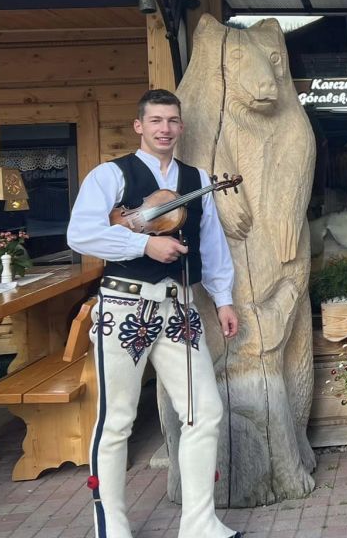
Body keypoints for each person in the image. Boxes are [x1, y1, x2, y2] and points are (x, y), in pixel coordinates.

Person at [67, 89, 240, 538]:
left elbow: (212, 243)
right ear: (139, 126)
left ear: (181, 126)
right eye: (156, 120)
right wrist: (144, 243)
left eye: (173, 121)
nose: (165, 129)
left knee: (204, 411)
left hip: (179, 306)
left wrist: (223, 299)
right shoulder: (110, 174)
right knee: (117, 419)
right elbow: (81, 234)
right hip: (125, 304)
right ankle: (111, 526)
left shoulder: (196, 178)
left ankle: (199, 523)